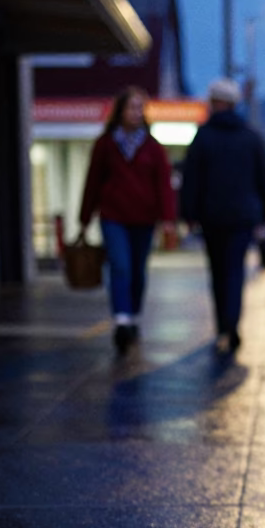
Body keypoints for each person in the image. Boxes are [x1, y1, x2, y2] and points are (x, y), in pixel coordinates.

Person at [178, 77, 265, 354]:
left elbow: (191, 178)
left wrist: (189, 214)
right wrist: (264, 211)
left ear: (216, 103)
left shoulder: (203, 136)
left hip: (212, 216)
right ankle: (231, 324)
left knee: (217, 272)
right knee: (234, 271)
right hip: (243, 216)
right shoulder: (251, 137)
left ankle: (222, 325)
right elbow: (263, 179)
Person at [78, 86, 176, 354]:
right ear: (119, 111)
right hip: (113, 216)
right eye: (131, 107)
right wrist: (85, 217)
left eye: (139, 108)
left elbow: (163, 185)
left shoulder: (153, 147)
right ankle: (121, 318)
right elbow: (93, 180)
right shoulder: (106, 144)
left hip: (144, 217)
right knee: (120, 265)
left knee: (137, 270)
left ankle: (132, 314)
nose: (135, 113)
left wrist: (168, 220)